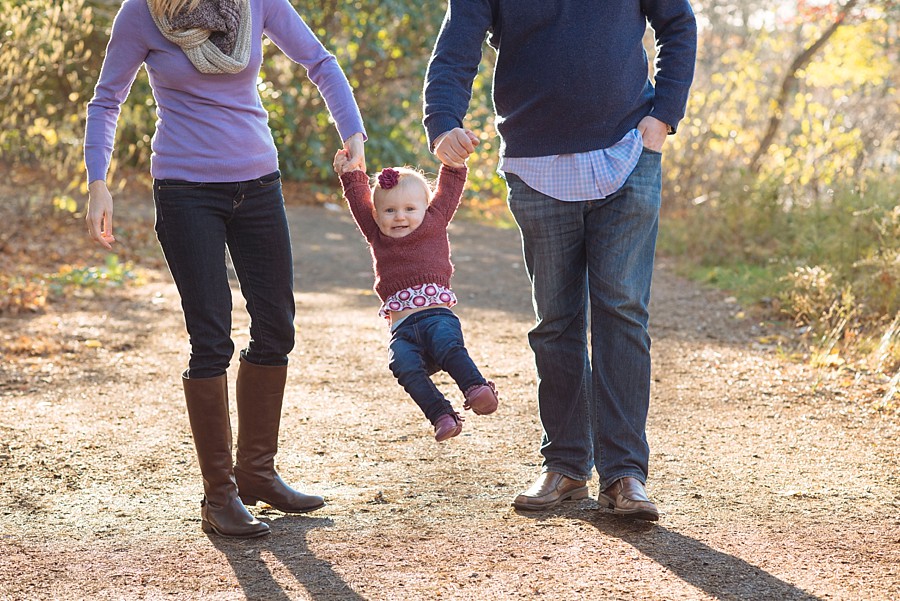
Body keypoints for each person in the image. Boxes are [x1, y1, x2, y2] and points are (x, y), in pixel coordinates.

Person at [84, 0, 367, 538]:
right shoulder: (142, 14)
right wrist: (98, 180)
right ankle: (219, 496)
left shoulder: (258, 3)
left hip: (259, 184)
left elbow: (320, 62)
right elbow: (106, 100)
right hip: (186, 189)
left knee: (277, 327)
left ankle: (257, 473)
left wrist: (350, 129)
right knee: (211, 337)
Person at [423, 1, 697, 520]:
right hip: (535, 163)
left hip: (628, 149)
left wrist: (664, 114)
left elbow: (678, 23)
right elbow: (457, 46)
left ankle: (624, 476)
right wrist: (442, 122)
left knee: (621, 310)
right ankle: (567, 465)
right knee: (556, 320)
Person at [332, 144, 499, 442]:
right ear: (377, 214)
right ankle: (442, 415)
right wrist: (350, 174)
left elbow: (450, 188)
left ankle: (475, 388)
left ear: (425, 207)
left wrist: (454, 163)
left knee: (448, 347)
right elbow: (358, 202)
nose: (399, 217)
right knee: (401, 365)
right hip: (403, 329)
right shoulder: (376, 234)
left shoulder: (435, 222)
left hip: (437, 318)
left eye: (409, 209)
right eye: (390, 210)